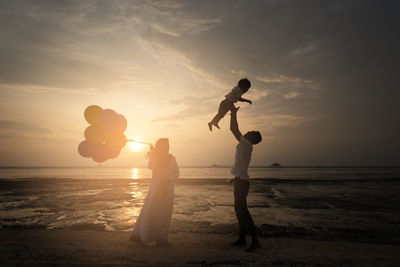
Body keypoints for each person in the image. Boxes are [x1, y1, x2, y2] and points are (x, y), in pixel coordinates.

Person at [130, 138, 179, 246]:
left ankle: (161, 238)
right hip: (155, 189)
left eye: (168, 145)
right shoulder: (154, 157)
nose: (167, 147)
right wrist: (153, 153)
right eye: (165, 145)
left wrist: (169, 180)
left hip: (168, 189)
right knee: (150, 210)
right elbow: (151, 166)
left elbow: (176, 172)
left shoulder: (172, 158)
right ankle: (142, 236)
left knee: (165, 212)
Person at [229, 106, 262, 252]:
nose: (249, 131)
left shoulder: (246, 143)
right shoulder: (245, 145)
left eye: (252, 132)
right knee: (239, 210)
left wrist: (233, 114)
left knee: (243, 210)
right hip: (240, 180)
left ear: (252, 138)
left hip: (242, 182)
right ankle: (242, 238)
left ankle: (255, 240)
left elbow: (233, 129)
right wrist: (235, 178)